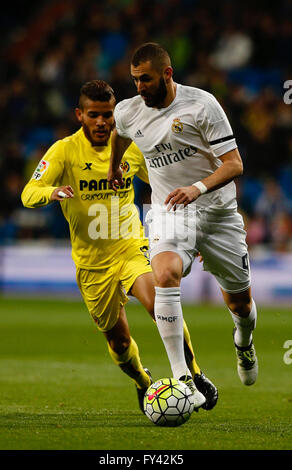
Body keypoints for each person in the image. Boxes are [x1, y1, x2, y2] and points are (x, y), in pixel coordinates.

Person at [21, 80, 218, 413]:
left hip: (130, 248)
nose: (102, 122)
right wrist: (50, 193)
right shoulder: (63, 151)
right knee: (120, 342)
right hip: (91, 264)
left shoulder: (130, 148)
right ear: (80, 115)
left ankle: (194, 375)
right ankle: (143, 381)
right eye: (94, 115)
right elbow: (28, 193)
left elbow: (166, 184)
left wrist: (189, 232)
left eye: (108, 115)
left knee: (160, 302)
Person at [108, 43, 258, 392]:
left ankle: (244, 342)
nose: (140, 87)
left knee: (241, 303)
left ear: (167, 74)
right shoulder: (129, 111)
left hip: (217, 212)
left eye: (145, 79)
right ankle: (182, 377)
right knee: (164, 273)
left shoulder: (201, 105)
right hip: (169, 210)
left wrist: (197, 187)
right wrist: (115, 166)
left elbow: (235, 164)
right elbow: (120, 133)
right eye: (135, 80)